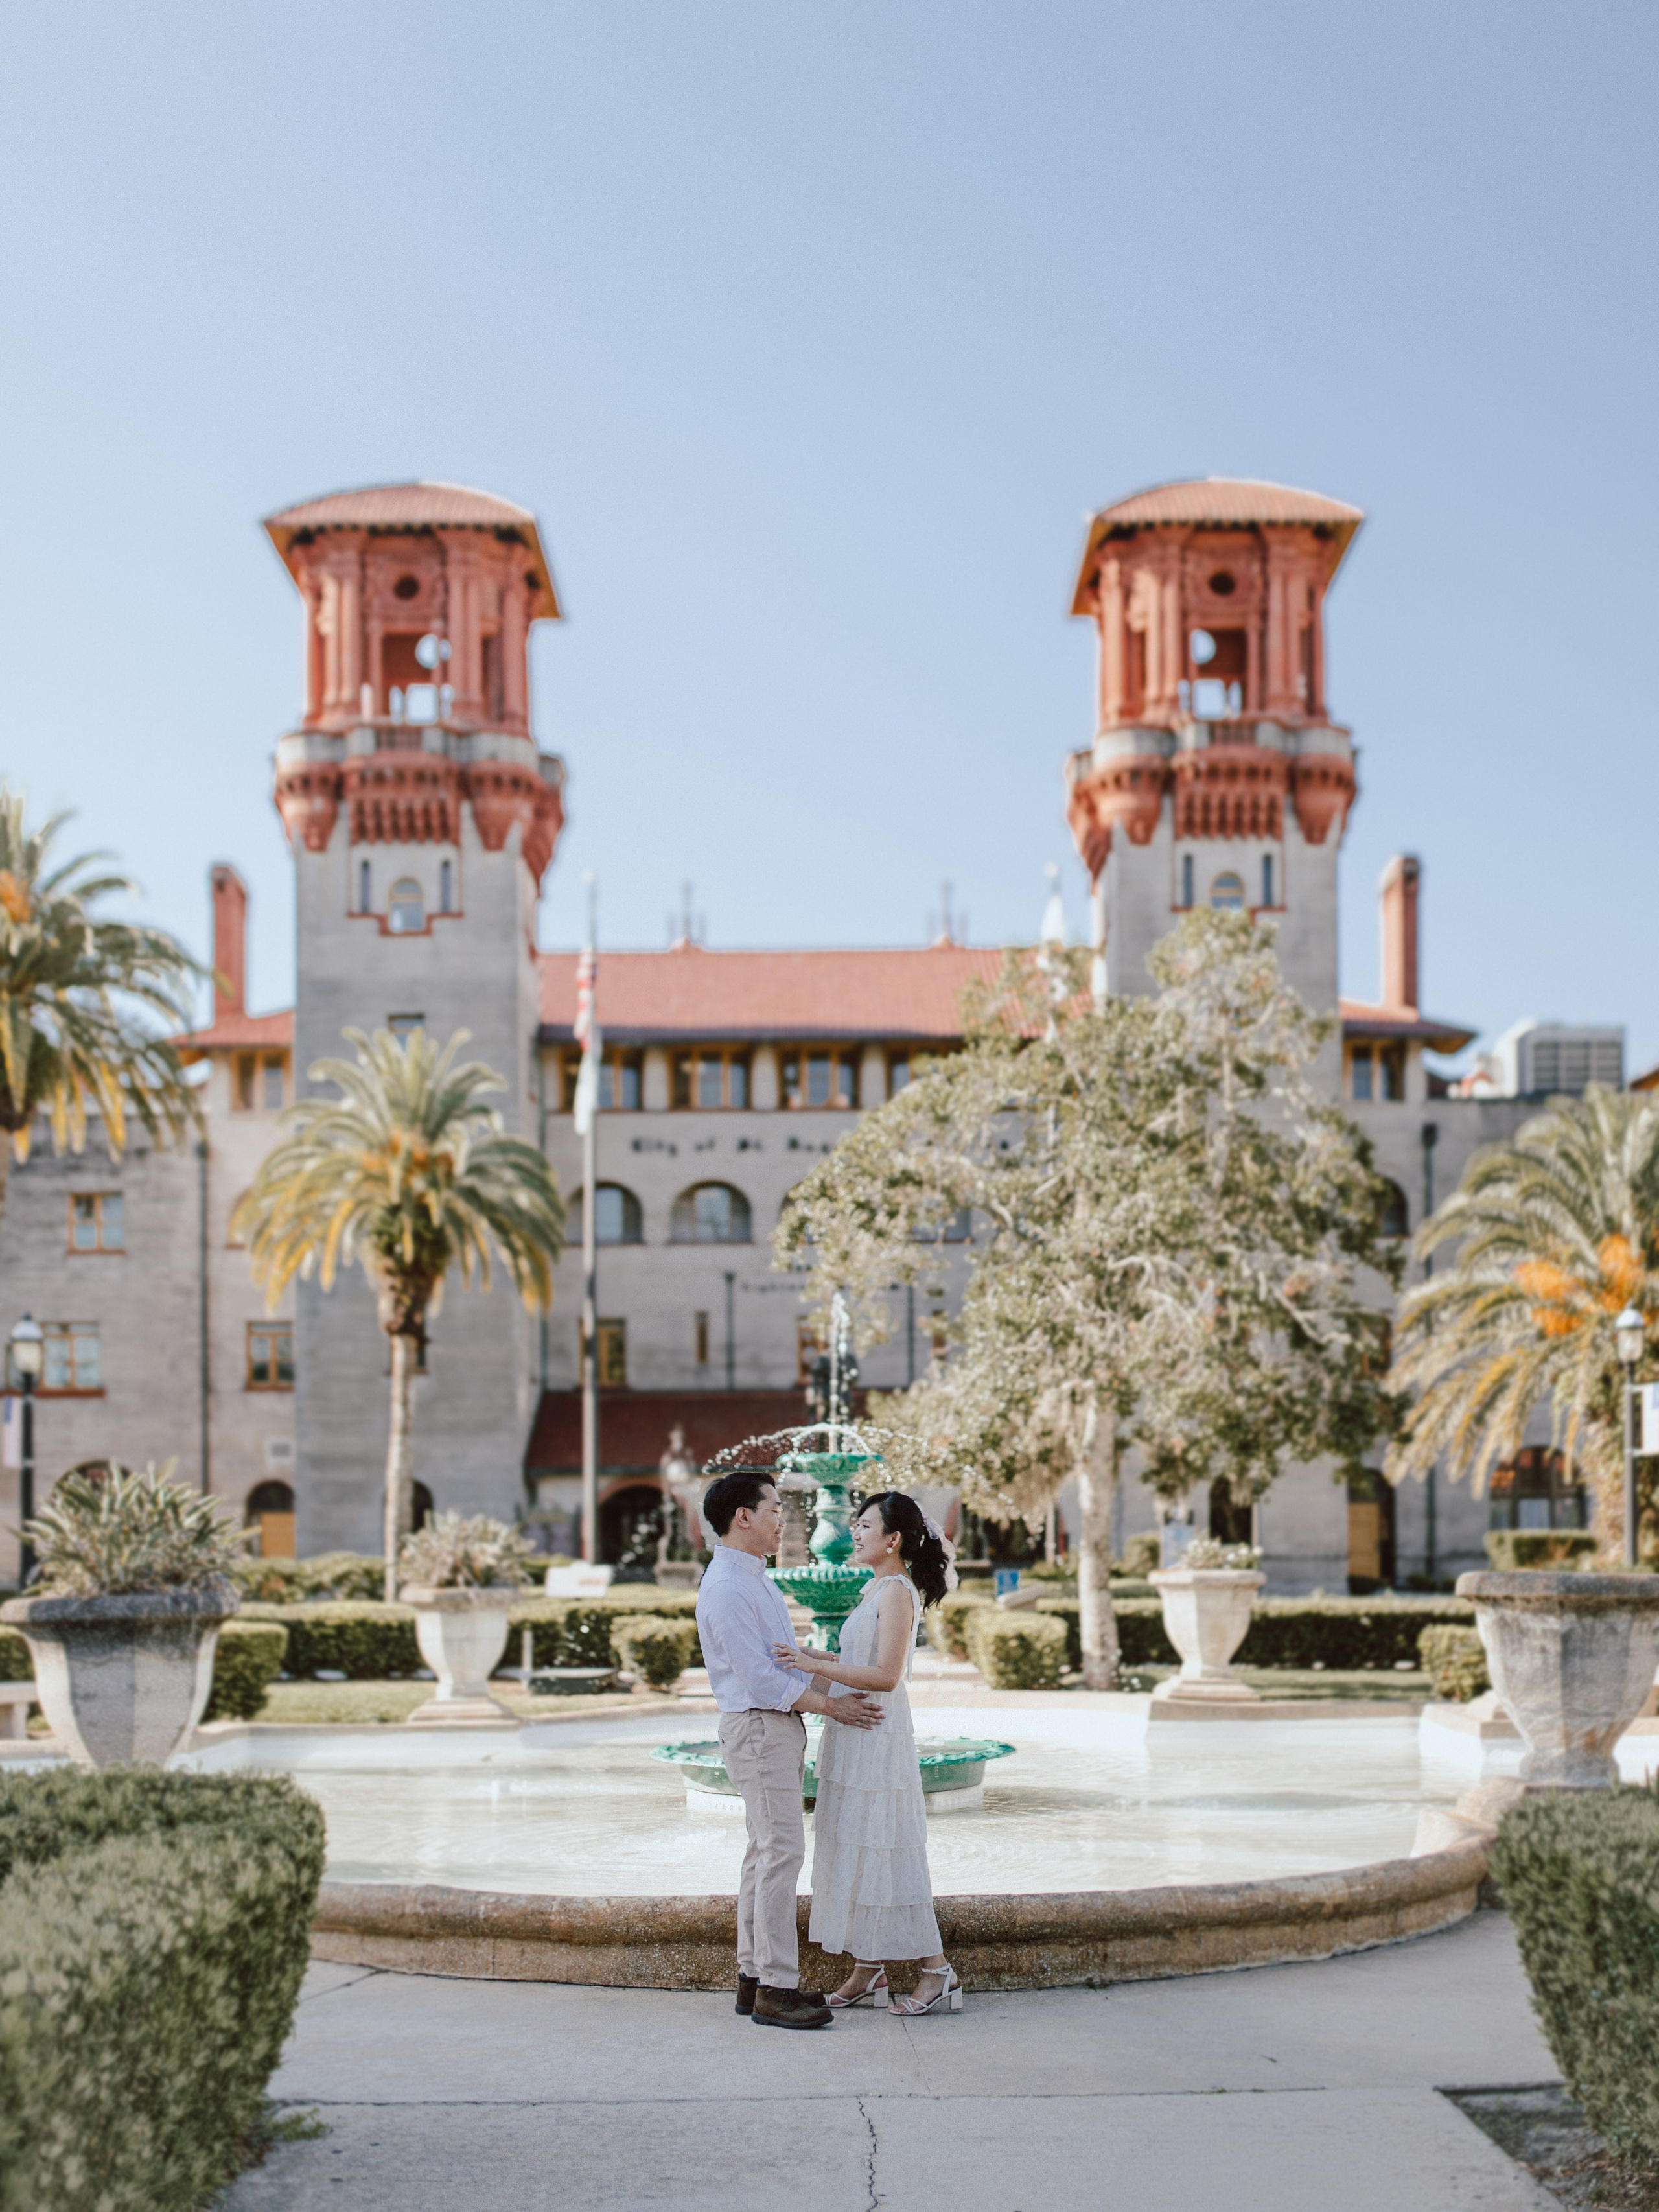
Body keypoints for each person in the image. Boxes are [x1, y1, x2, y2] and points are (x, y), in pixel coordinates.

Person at [695, 1470, 885, 2029]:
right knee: (781, 1853)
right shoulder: (730, 1586)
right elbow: (759, 1678)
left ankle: (754, 1977)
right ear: (743, 1516)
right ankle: (777, 1988)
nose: (784, 1518)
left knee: (764, 1852)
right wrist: (835, 1706)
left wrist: (837, 1677)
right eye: (775, 1507)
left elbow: (782, 1658)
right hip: (759, 1726)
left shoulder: (754, 1577)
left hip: (769, 1726)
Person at [771, 1489, 962, 2017]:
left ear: (893, 1539)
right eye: (853, 1524)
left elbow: (886, 1675)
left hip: (877, 1733)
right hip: (853, 1730)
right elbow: (854, 1656)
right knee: (855, 1841)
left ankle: (937, 1970)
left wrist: (820, 1670)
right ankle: (867, 1967)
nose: (854, 1532)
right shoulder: (874, 1586)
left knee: (888, 1843)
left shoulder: (898, 1589)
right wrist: (807, 1654)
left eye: (864, 1525)